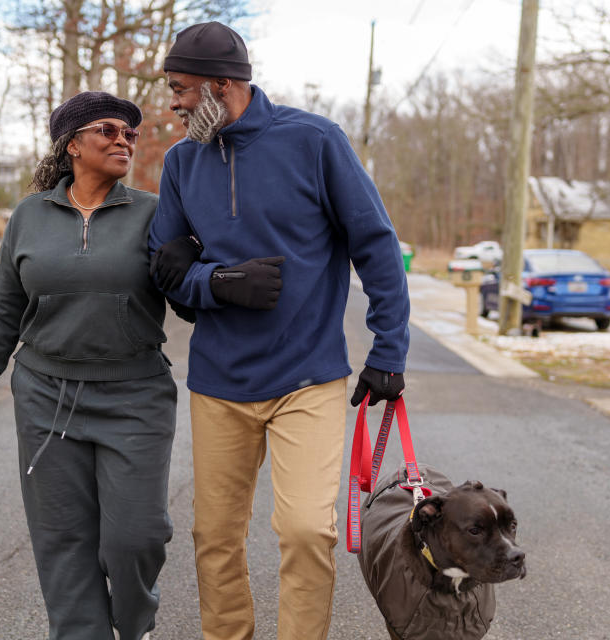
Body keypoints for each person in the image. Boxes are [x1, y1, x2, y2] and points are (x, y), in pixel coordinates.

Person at [148, 22, 410, 640]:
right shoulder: (182, 163)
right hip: (218, 383)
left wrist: (389, 349)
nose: (174, 103)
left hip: (307, 378)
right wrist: (215, 283)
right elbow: (164, 267)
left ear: (221, 85)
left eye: (180, 88)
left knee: (305, 531)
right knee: (213, 536)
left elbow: (376, 247)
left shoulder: (315, 141)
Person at [0, 91, 175, 640]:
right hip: (48, 398)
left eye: (130, 133)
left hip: (135, 397)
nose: (125, 140)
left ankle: (134, 623)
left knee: (136, 538)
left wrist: (200, 272)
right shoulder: (29, 216)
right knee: (63, 542)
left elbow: (186, 296)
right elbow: (1, 314)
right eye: (109, 131)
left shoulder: (154, 212)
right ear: (72, 144)